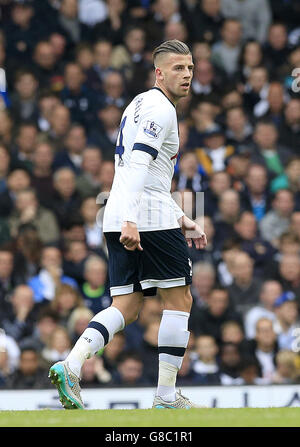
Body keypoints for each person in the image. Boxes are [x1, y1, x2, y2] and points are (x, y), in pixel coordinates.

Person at [49, 39, 207, 410]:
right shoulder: (161, 109)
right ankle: (166, 397)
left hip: (120, 211)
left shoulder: (137, 104)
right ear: (159, 73)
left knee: (127, 305)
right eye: (178, 69)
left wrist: (183, 218)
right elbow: (138, 164)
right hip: (143, 216)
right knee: (179, 298)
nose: (187, 75)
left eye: (190, 67)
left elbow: (147, 173)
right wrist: (135, 219)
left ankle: (71, 365)